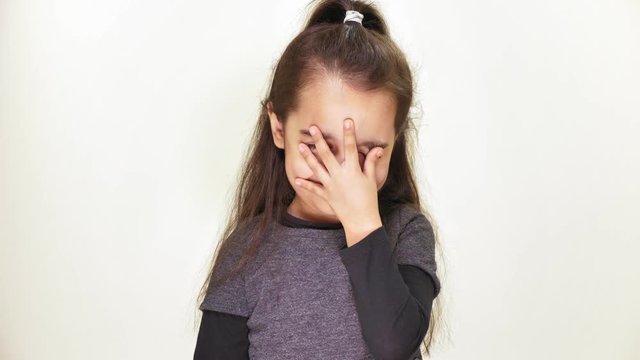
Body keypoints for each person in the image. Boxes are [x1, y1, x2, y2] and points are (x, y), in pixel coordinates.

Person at [193, 1, 443, 359]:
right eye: (318, 146)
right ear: (279, 128)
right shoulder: (246, 252)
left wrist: (363, 224)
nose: (342, 175)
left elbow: (394, 345)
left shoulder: (406, 231)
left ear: (394, 142)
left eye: (365, 153)